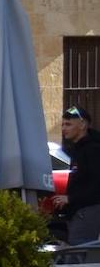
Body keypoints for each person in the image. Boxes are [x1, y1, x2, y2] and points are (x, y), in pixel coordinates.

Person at [54, 104, 100, 244]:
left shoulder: (93, 150)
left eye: (68, 124)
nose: (63, 129)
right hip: (78, 211)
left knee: (79, 254)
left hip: (86, 210)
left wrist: (70, 199)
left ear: (82, 125)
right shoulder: (79, 148)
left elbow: (96, 185)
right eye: (62, 125)